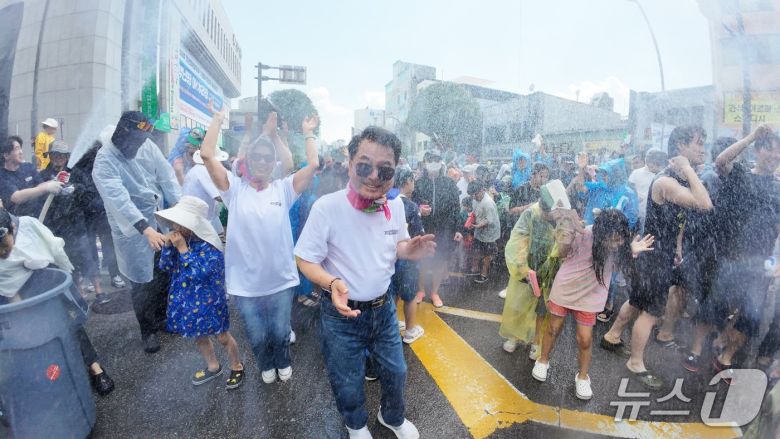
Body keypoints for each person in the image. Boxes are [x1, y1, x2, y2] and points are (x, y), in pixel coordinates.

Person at [295, 126, 435, 439]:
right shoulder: (327, 208)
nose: (374, 175)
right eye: (364, 165)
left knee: (396, 371)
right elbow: (304, 259)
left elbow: (397, 244)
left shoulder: (396, 206)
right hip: (340, 315)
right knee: (347, 378)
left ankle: (392, 416)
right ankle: (356, 425)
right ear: (349, 163)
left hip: (384, 309)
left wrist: (408, 249)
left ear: (394, 171)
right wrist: (331, 283)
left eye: (384, 169)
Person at [199, 109, 319, 384]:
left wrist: (308, 132)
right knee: (256, 334)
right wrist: (217, 120)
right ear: (248, 161)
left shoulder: (283, 188)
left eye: (268, 157)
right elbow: (207, 155)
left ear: (274, 162)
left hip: (279, 281)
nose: (263, 161)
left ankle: (282, 361)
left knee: (279, 331)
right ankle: (266, 363)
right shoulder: (235, 190)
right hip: (246, 286)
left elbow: (312, 164)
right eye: (257, 157)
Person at [601, 125, 712, 389]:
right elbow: (705, 204)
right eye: (697, 143)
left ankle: (613, 336)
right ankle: (636, 362)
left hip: (656, 255)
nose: (702, 148)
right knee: (651, 313)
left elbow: (679, 224)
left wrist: (677, 250)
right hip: (654, 259)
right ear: (680, 148)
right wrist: (687, 168)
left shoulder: (678, 179)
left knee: (637, 301)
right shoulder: (666, 181)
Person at [532, 209, 654, 400]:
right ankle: (543, 359)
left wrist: (631, 251)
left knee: (585, 339)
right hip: (566, 288)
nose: (617, 244)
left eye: (620, 239)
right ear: (601, 234)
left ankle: (582, 377)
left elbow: (618, 266)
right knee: (553, 329)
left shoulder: (620, 245)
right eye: (612, 240)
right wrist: (565, 237)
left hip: (591, 295)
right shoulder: (584, 234)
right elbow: (563, 254)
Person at [0, 207, 114, 396]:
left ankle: (96, 369)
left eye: (5, 247)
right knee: (32, 338)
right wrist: (21, 313)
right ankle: (53, 382)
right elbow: (6, 284)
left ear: (12, 228)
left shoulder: (28, 226)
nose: (3, 254)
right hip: (16, 296)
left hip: (47, 282)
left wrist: (69, 281)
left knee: (71, 325)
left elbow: (55, 250)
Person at [92, 112, 182, 353]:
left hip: (159, 221)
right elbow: (119, 200)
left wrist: (181, 211)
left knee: (163, 274)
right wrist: (145, 228)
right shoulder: (105, 161)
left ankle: (162, 319)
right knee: (142, 283)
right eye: (136, 141)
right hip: (132, 231)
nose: (140, 145)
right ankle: (147, 331)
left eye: (143, 140)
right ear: (122, 134)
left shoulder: (146, 145)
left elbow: (167, 177)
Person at [704, 125, 780, 375]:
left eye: (779, 153)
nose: (775, 156)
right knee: (718, 307)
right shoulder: (742, 175)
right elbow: (721, 160)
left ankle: (725, 359)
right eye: (770, 150)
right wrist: (751, 136)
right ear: (758, 151)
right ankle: (711, 342)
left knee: (752, 316)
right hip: (733, 258)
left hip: (761, 263)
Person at [155, 196, 244, 389]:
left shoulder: (211, 246)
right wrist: (169, 248)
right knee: (200, 336)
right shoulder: (182, 241)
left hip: (210, 301)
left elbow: (200, 275)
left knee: (222, 337)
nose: (175, 227)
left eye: (180, 223)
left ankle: (236, 366)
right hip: (187, 301)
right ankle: (213, 366)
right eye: (174, 223)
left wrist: (183, 250)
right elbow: (165, 266)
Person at [499, 181, 566, 358]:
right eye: (545, 212)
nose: (547, 216)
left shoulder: (561, 218)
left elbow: (566, 244)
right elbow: (518, 239)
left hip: (550, 269)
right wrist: (522, 268)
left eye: (550, 213)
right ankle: (514, 336)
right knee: (518, 303)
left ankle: (536, 341)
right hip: (528, 267)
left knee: (542, 309)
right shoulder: (531, 213)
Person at [39, 140, 108, 303]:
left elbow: (90, 193)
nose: (58, 158)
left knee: (86, 256)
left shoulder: (76, 173)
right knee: (68, 259)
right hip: (56, 227)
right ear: (50, 156)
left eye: (62, 155)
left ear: (67, 157)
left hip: (76, 224)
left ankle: (99, 292)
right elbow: (39, 200)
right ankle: (80, 293)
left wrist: (75, 188)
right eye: (55, 154)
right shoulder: (43, 176)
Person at [69, 141, 125, 290]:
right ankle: (94, 277)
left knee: (108, 244)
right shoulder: (77, 169)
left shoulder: (103, 166)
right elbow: (76, 190)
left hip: (102, 212)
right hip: (86, 214)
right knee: (90, 245)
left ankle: (114, 274)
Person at [412, 149, 460, 308]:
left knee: (439, 260)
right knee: (422, 259)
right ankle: (420, 290)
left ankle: (434, 292)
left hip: (444, 228)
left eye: (436, 160)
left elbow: (456, 208)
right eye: (430, 160)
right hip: (424, 227)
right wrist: (420, 209)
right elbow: (412, 205)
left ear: (441, 163)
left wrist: (457, 229)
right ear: (425, 163)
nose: (434, 163)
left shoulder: (449, 183)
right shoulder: (418, 184)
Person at [392, 169, 425, 344]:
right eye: (412, 180)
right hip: (407, 257)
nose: (414, 184)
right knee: (410, 294)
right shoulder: (411, 206)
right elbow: (418, 234)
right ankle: (411, 330)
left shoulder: (388, 202)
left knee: (393, 292)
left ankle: (393, 322)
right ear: (407, 182)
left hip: (391, 257)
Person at [0, 136, 63, 217]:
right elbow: (17, 197)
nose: (21, 152)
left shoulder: (28, 167)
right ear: (6, 156)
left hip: (38, 218)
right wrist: (46, 188)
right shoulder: (2, 176)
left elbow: (40, 185)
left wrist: (56, 182)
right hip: (19, 222)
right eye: (17, 149)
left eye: (21, 148)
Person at [183, 147, 229, 234]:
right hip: (198, 220)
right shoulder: (203, 171)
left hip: (198, 217)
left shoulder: (197, 169)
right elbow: (219, 197)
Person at [465, 180, 500, 284]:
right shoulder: (475, 200)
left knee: (487, 254)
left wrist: (476, 226)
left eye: (475, 194)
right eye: (472, 195)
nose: (474, 197)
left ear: (482, 190)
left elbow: (489, 220)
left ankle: (484, 275)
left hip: (489, 233)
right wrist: (471, 219)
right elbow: (474, 212)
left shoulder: (488, 203)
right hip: (479, 230)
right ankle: (475, 269)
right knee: (477, 250)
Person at [628, 148, 668, 228]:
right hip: (640, 213)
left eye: (651, 156)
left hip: (658, 215)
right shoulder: (636, 173)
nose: (648, 159)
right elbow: (630, 191)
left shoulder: (664, 175)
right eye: (647, 156)